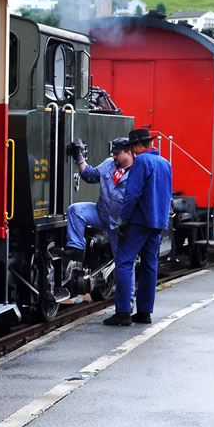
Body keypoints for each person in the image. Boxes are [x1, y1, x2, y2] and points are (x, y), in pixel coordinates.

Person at [104, 128, 172, 326]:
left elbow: (132, 194)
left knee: (125, 262)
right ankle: (144, 312)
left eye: (132, 147)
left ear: (137, 146)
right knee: (150, 265)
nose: (131, 152)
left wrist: (122, 220)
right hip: (157, 221)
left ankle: (123, 312)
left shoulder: (142, 161)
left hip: (140, 220)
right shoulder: (165, 162)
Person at [65, 136, 135, 261]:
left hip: (120, 225)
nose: (114, 156)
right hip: (101, 214)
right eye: (113, 153)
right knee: (75, 210)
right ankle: (76, 249)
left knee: (123, 263)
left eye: (117, 153)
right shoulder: (109, 163)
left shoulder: (138, 169)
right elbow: (89, 175)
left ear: (128, 152)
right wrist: (79, 156)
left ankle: (124, 279)